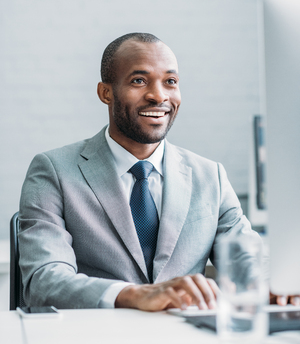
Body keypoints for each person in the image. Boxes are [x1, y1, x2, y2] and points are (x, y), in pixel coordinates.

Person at [19, 33, 299, 310]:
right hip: (97, 341)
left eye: (170, 82)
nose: (158, 95)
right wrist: (134, 295)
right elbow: (43, 281)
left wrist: (275, 285)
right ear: (106, 92)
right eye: (139, 81)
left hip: (187, 342)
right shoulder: (54, 171)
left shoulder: (209, 175)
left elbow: (247, 260)